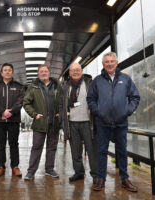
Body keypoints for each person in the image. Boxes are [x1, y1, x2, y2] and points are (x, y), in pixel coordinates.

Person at [87, 52, 140, 192]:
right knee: (102, 151)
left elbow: (135, 97)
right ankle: (101, 179)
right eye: (107, 62)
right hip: (103, 122)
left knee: (122, 151)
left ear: (116, 63)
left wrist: (127, 111)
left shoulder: (126, 79)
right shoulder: (97, 81)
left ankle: (125, 179)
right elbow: (90, 99)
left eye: (112, 61)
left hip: (121, 122)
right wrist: (97, 111)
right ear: (103, 64)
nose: (109, 64)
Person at [60, 63, 98, 184]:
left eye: (77, 70)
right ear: (70, 73)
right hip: (72, 124)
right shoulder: (65, 86)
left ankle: (96, 175)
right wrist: (62, 119)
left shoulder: (89, 83)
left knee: (92, 151)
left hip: (88, 123)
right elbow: (62, 104)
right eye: (73, 70)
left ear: (81, 71)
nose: (75, 72)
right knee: (75, 151)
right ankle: (79, 172)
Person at [23, 64, 62, 180]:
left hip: (54, 123)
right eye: (41, 72)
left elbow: (63, 100)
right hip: (40, 122)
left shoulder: (57, 86)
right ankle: (31, 171)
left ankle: (49, 169)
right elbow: (26, 102)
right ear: (38, 74)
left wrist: (60, 112)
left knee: (52, 147)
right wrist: (34, 114)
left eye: (45, 71)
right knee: (36, 147)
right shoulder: (33, 87)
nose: (43, 73)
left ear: (49, 73)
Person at [0, 63, 25, 177]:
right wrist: (2, 112)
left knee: (14, 143)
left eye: (9, 70)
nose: (7, 72)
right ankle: (1, 166)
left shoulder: (19, 86)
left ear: (12, 72)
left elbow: (20, 101)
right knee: (0, 144)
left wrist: (10, 112)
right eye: (5, 70)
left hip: (13, 120)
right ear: (1, 73)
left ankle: (15, 166)